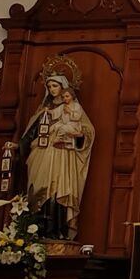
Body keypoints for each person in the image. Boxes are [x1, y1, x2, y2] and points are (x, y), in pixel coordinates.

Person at [20, 68, 94, 238]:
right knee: (39, 189)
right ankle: (38, 229)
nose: (52, 89)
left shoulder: (74, 108)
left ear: (64, 88)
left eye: (55, 85)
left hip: (62, 154)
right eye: (49, 86)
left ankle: (58, 230)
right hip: (42, 154)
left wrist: (79, 135)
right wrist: (18, 146)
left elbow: (88, 131)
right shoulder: (44, 110)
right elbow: (31, 134)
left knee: (59, 190)